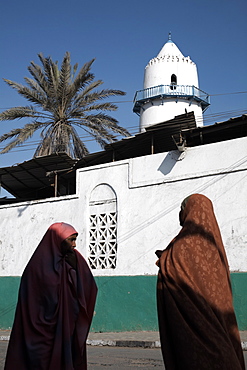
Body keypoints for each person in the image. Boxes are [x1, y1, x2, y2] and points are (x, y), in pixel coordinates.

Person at [156, 194, 245, 370]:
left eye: (181, 210)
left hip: (194, 335)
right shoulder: (216, 249)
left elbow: (170, 269)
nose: (179, 215)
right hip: (222, 329)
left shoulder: (180, 249)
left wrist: (164, 258)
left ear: (188, 212)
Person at [4, 222, 97, 370]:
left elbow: (88, 285)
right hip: (38, 331)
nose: (74, 245)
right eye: (71, 240)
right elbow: (31, 301)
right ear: (58, 240)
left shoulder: (71, 260)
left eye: (75, 240)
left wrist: (76, 266)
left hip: (63, 327)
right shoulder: (36, 267)